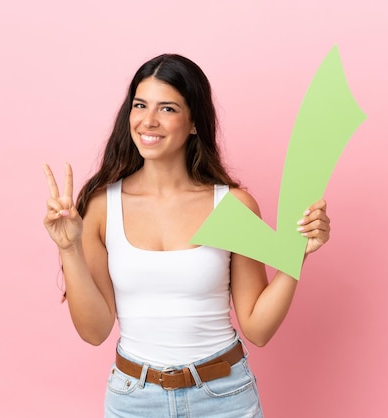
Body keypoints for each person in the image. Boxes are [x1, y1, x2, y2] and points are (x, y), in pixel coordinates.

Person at [42, 54, 330, 417]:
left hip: (224, 396)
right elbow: (95, 331)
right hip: (134, 400)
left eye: (167, 109)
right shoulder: (102, 208)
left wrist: (295, 255)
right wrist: (69, 249)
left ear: (194, 123)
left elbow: (257, 328)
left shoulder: (232, 205)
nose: (149, 120)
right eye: (140, 105)